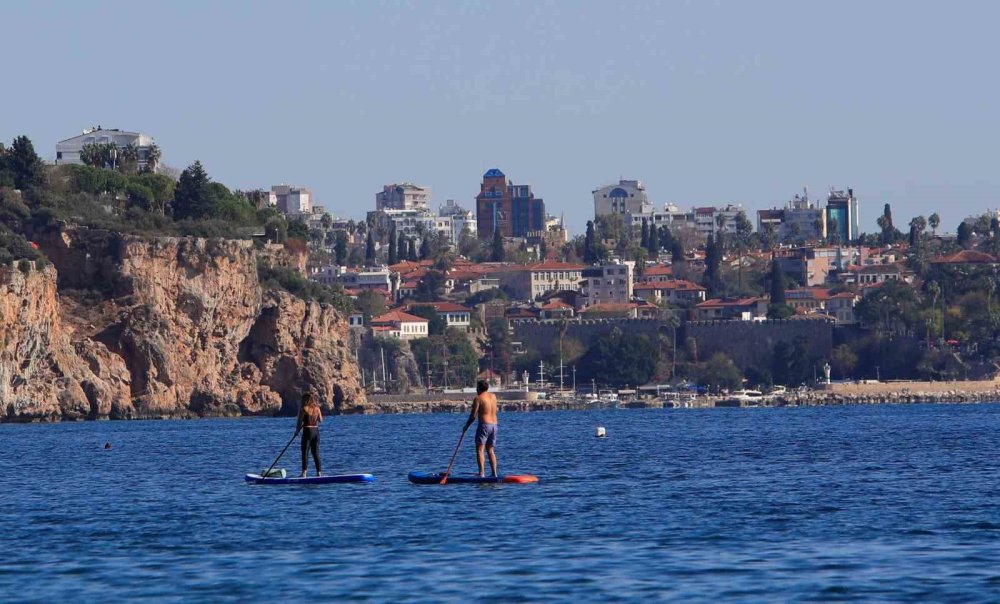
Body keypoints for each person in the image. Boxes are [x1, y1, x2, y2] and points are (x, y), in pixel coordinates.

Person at [463, 380, 499, 477]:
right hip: (494, 425)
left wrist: (466, 426)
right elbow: (496, 409)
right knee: (491, 450)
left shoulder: (478, 398)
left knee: (480, 449)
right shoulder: (494, 396)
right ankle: (494, 473)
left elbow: (473, 416)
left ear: (478, 388)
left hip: (484, 425)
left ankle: (481, 473)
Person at [297, 392, 323, 477]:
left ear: (305, 400)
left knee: (305, 452)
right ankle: (319, 473)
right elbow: (320, 420)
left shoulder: (304, 409)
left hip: (307, 431)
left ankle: (304, 473)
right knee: (316, 453)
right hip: (316, 431)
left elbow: (299, 422)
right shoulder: (317, 408)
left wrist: (297, 431)